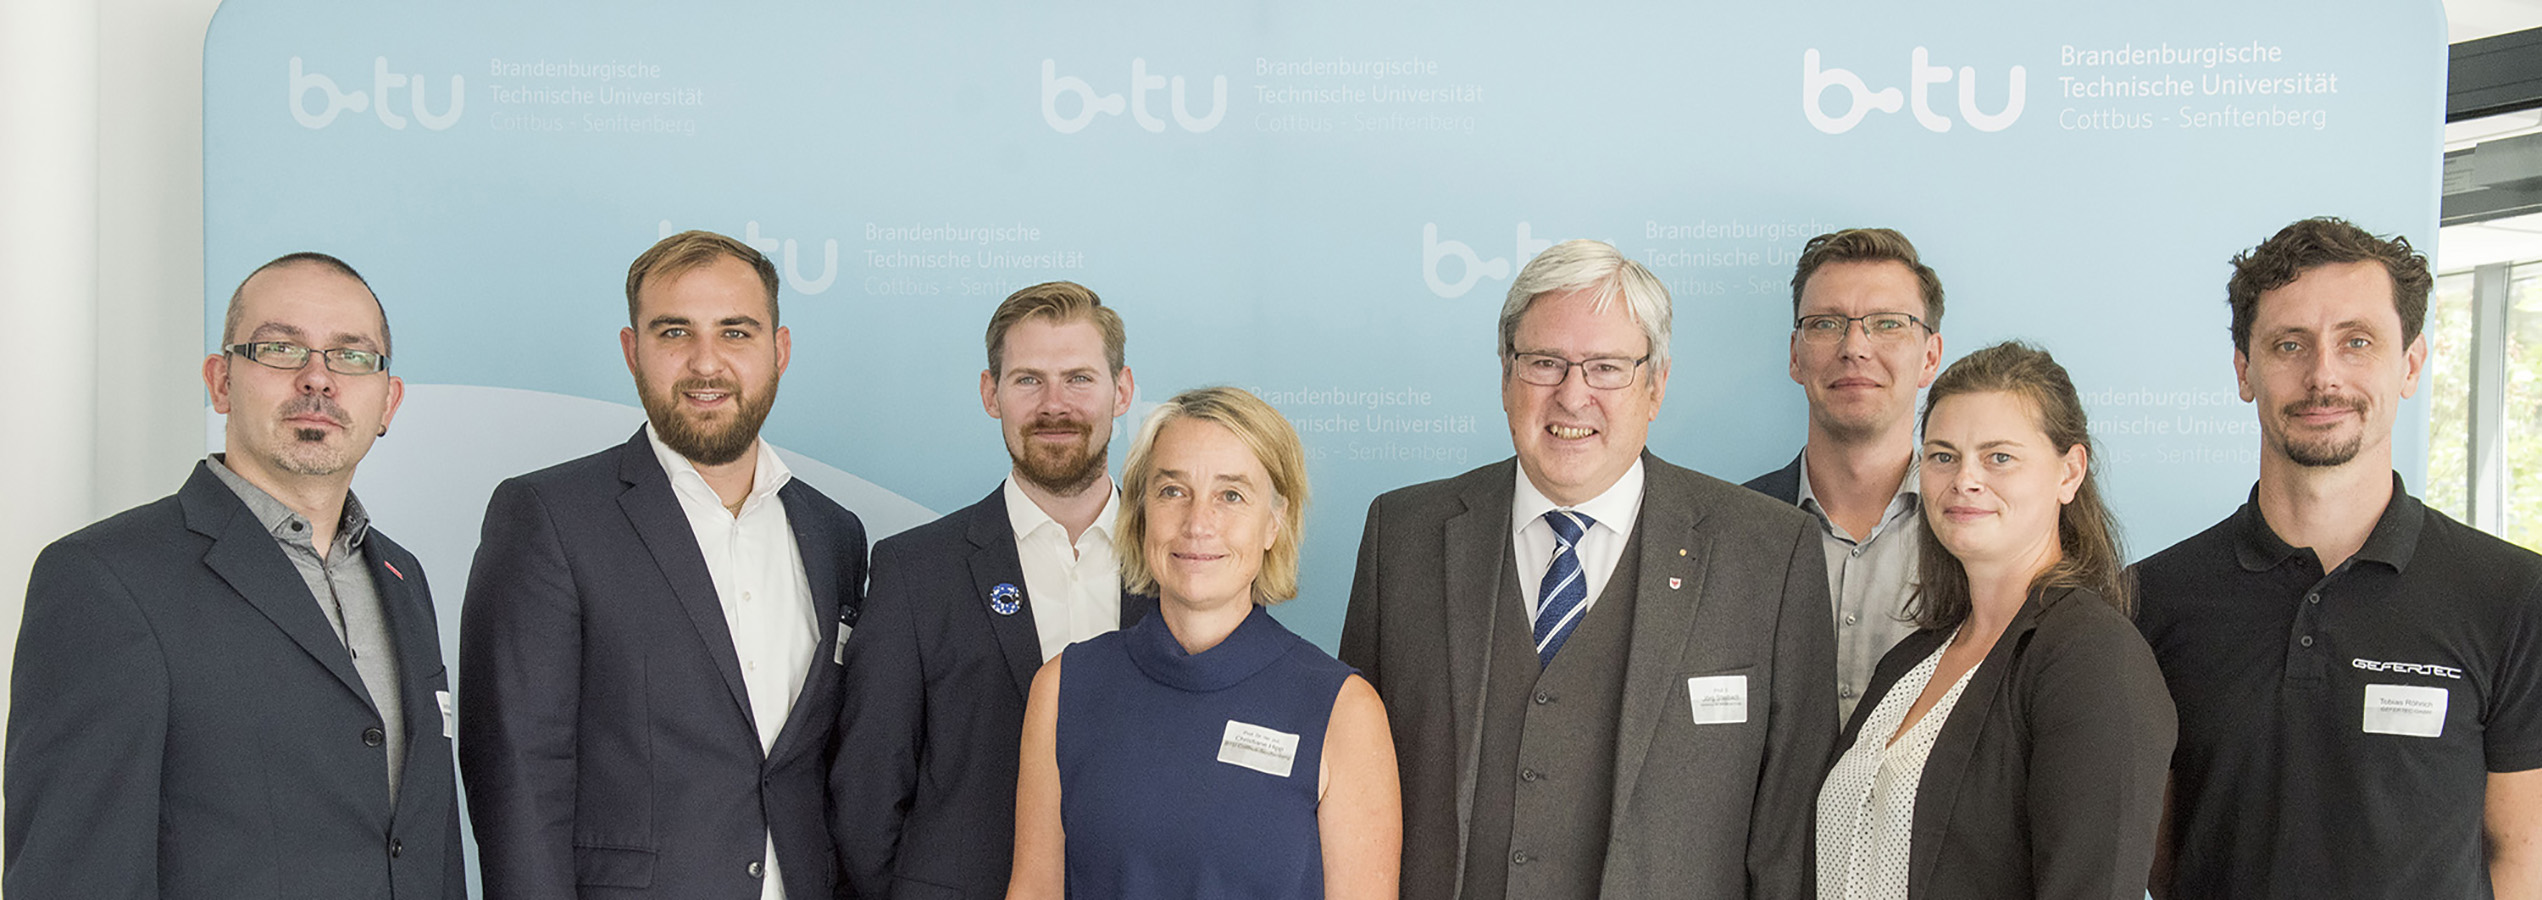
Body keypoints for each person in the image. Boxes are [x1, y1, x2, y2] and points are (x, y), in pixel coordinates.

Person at [1339, 238, 1836, 900]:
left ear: (1655, 386)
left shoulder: (1769, 554)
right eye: (1545, 362)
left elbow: (1789, 838)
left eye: (1606, 367)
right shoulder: (1402, 537)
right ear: (1506, 376)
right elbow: (1350, 789)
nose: (1573, 397)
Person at [6, 252, 464, 898]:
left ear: (387, 401)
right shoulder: (105, 579)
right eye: (280, 349)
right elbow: (71, 874)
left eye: (351, 356)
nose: (318, 379)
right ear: (221, 382)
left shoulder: (400, 577)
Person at [2135, 217, 2542, 899]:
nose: (2323, 375)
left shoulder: (2513, 594)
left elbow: (2520, 859)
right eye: (2289, 344)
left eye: (2357, 342)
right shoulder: (2151, 598)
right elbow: (2163, 857)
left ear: (2410, 365)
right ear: (2244, 371)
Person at [460, 231, 868, 900]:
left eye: (736, 333)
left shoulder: (834, 535)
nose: (707, 364)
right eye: (675, 333)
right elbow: (516, 772)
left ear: (780, 350)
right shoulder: (548, 517)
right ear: (632, 351)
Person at [831, 281, 1157, 900]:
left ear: (1123, 391)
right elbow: (868, 789)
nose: (1054, 405)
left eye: (1079, 378)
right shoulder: (914, 570)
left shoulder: (1189, 566)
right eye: (1028, 379)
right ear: (991, 393)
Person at [1007, 387, 1400, 900]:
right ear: (1142, 510)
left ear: (1274, 521)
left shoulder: (1342, 709)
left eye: (1231, 495)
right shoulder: (1064, 688)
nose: (1198, 523)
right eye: (1172, 490)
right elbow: (1034, 890)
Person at [1814, 341, 2174, 899]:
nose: (1965, 480)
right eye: (1942, 455)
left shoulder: (2093, 658)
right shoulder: (1910, 660)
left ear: (2069, 472)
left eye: (1998, 457)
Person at [1745, 228, 1946, 721]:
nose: (1855, 346)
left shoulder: (1973, 530)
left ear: (1931, 357)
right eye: (1826, 324)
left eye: (1887, 324)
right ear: (1795, 355)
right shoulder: (1730, 532)